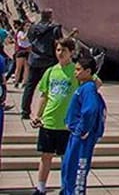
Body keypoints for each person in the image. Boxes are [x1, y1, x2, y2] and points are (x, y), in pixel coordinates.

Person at [30, 38, 80, 195]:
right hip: (49, 121)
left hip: (67, 123)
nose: (60, 53)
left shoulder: (76, 71)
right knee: (46, 156)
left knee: (66, 158)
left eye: (63, 50)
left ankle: (66, 187)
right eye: (58, 50)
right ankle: (41, 187)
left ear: (71, 52)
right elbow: (44, 94)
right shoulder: (51, 71)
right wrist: (37, 115)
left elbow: (94, 84)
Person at [60, 55, 106, 195]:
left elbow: (90, 109)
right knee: (68, 168)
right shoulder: (84, 87)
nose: (76, 72)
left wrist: (82, 129)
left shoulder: (88, 89)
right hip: (75, 136)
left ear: (88, 71)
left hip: (81, 138)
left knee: (76, 171)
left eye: (79, 70)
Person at [21, 9, 63, 120]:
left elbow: (29, 39)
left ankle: (25, 111)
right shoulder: (55, 29)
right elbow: (59, 43)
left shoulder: (33, 28)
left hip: (34, 60)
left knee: (30, 86)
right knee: (49, 88)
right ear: (50, 16)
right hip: (49, 61)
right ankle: (46, 111)